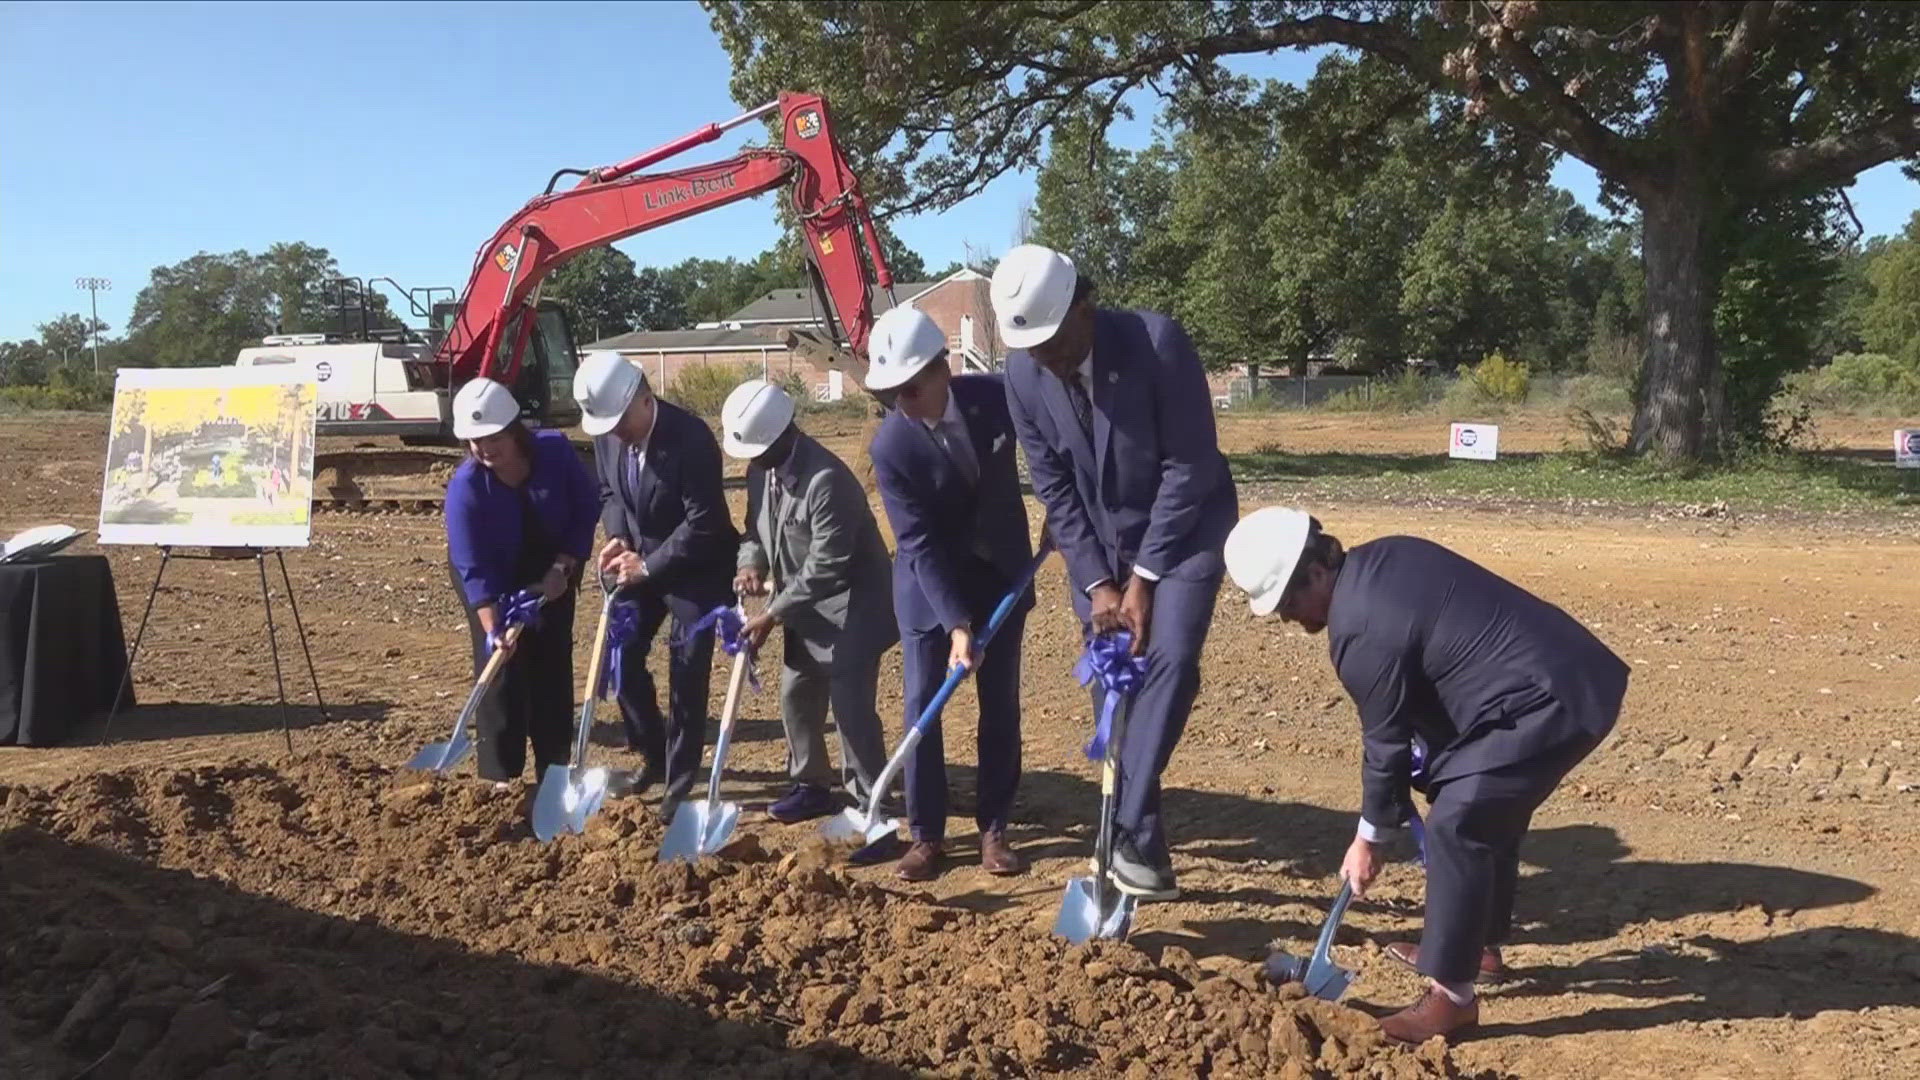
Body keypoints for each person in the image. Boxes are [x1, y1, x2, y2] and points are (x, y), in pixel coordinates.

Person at [1222, 507, 1630, 1044]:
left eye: (1289, 603)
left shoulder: (1358, 630)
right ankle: (1467, 947)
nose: (1288, 619)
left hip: (1549, 699)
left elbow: (1385, 744)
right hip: (1562, 674)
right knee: (1476, 799)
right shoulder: (1385, 556)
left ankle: (1452, 1000)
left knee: (1460, 821)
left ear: (1316, 571)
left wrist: (1368, 839)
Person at [993, 243, 1238, 901]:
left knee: (1169, 663)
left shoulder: (1157, 343)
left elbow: (1189, 466)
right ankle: (1143, 852)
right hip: (1096, 546)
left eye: (1054, 339)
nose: (1047, 357)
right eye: (1033, 347)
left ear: (1085, 305)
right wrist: (1102, 584)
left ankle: (1122, 828)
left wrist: (1146, 578)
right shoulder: (1020, 377)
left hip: (1184, 530)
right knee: (1113, 689)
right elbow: (1054, 486)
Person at [862, 306, 1035, 881]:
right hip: (929, 587)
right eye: (891, 395)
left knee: (1000, 706)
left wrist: (1064, 511)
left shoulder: (995, 398)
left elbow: (1053, 448)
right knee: (921, 706)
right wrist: (957, 624)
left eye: (910, 389)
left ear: (943, 370)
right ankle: (926, 834)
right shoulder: (891, 448)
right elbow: (918, 544)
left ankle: (994, 828)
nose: (902, 404)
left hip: (1002, 575)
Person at [722, 379, 897, 827]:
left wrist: (772, 614)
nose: (750, 459)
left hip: (853, 606)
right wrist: (751, 564)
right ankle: (812, 787)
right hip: (804, 609)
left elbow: (826, 566)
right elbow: (754, 531)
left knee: (849, 706)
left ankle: (869, 802)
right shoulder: (761, 472)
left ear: (782, 434)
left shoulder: (827, 481)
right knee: (796, 693)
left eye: (755, 450)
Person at [573, 351, 738, 817]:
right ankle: (654, 755)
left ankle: (680, 783)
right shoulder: (609, 436)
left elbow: (704, 522)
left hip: (697, 566)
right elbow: (609, 492)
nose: (615, 431)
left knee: (686, 672)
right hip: (639, 556)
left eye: (621, 420)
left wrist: (648, 566)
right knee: (619, 657)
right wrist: (618, 536)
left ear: (645, 399)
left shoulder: (690, 439)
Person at [443, 377, 598, 785]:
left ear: (514, 429)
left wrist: (563, 567)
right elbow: (472, 565)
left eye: (493, 437)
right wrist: (494, 627)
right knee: (501, 672)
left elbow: (585, 507)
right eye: (474, 441)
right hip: (491, 573)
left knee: (551, 663)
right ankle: (500, 778)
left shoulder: (555, 452)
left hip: (553, 566)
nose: (484, 449)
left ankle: (555, 772)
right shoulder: (466, 489)